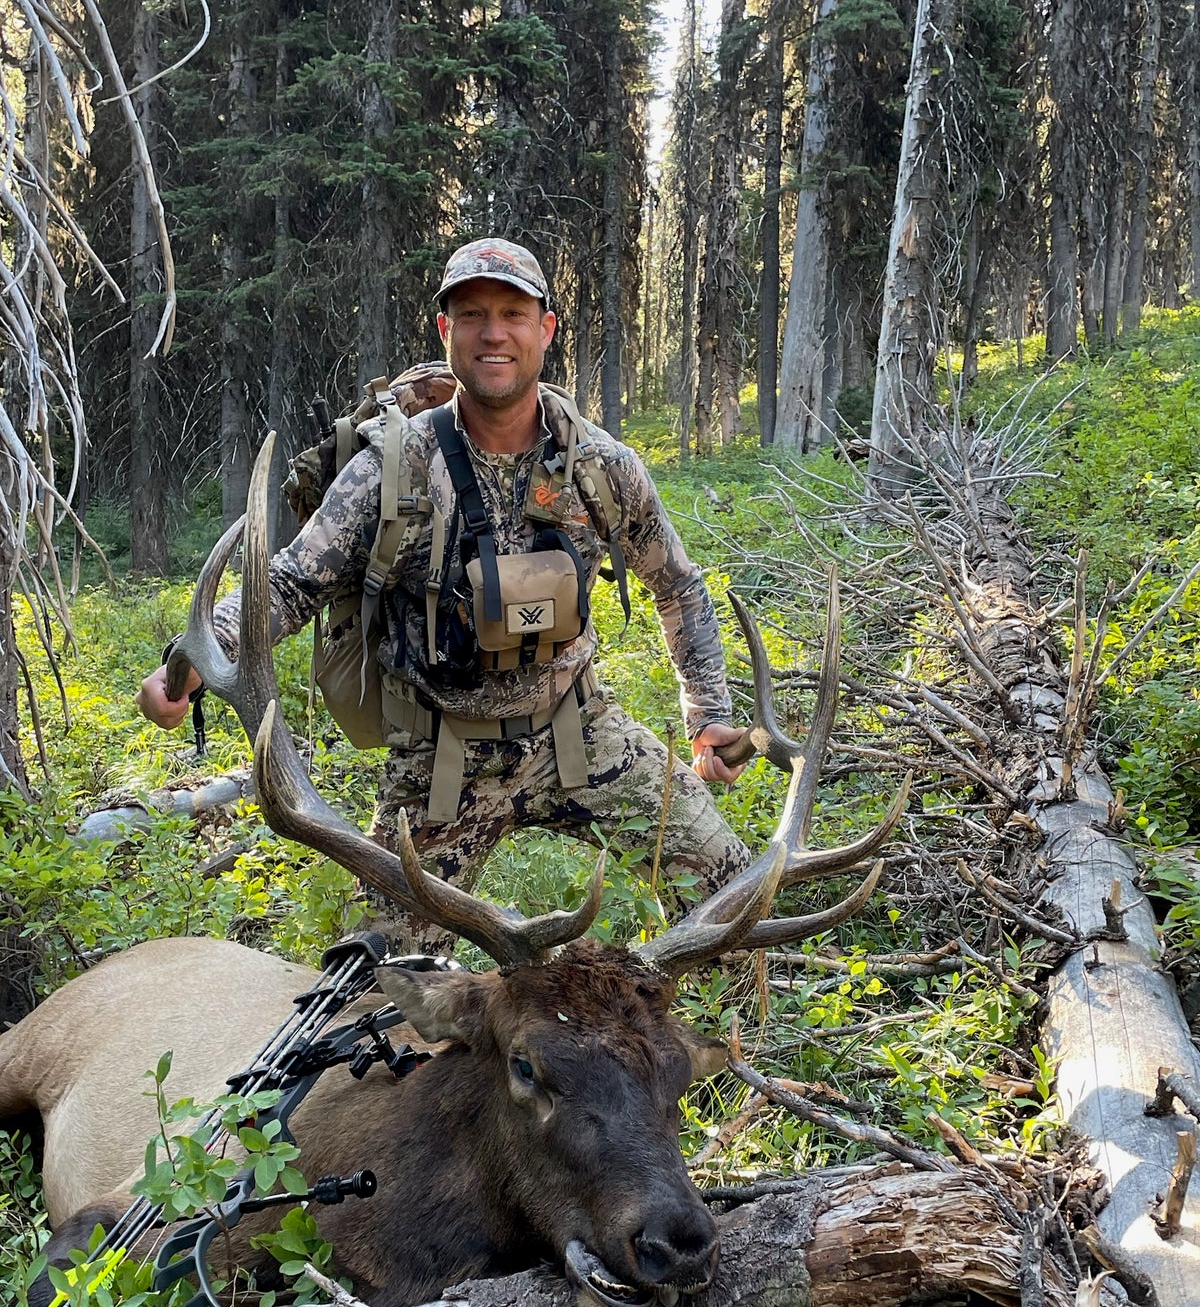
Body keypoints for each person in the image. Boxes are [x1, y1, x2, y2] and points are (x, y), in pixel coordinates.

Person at [138, 237, 753, 944]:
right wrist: (187, 660)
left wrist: (707, 715)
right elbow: (286, 584)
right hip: (441, 762)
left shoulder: (602, 467)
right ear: (446, 331)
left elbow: (677, 585)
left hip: (582, 733)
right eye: (473, 314)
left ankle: (703, 1047)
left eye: (514, 314)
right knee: (368, 983)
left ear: (546, 329)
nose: (495, 333)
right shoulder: (391, 471)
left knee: (731, 898)